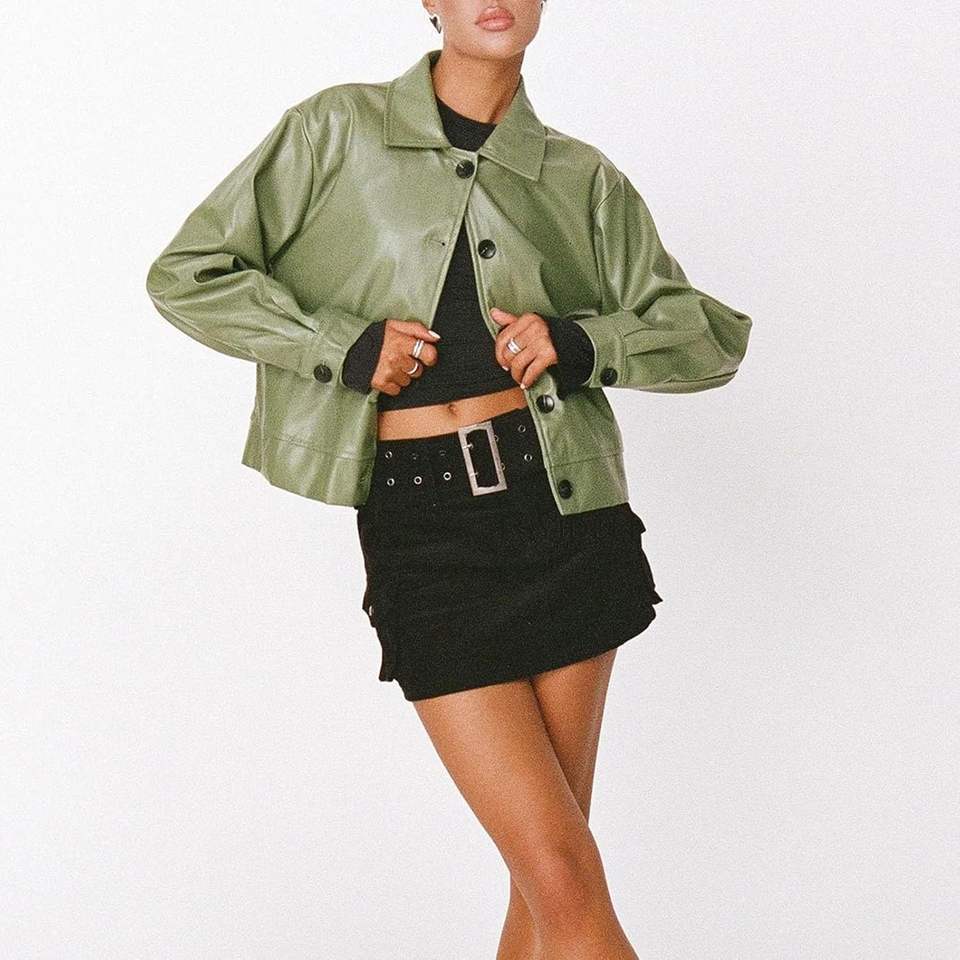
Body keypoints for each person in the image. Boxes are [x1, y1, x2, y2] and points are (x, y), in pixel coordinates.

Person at [145, 2, 753, 955]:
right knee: (558, 874)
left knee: (549, 880)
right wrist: (341, 347)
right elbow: (189, 272)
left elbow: (709, 338)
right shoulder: (335, 130)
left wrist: (581, 342)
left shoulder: (581, 177)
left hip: (564, 517)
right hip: (424, 530)